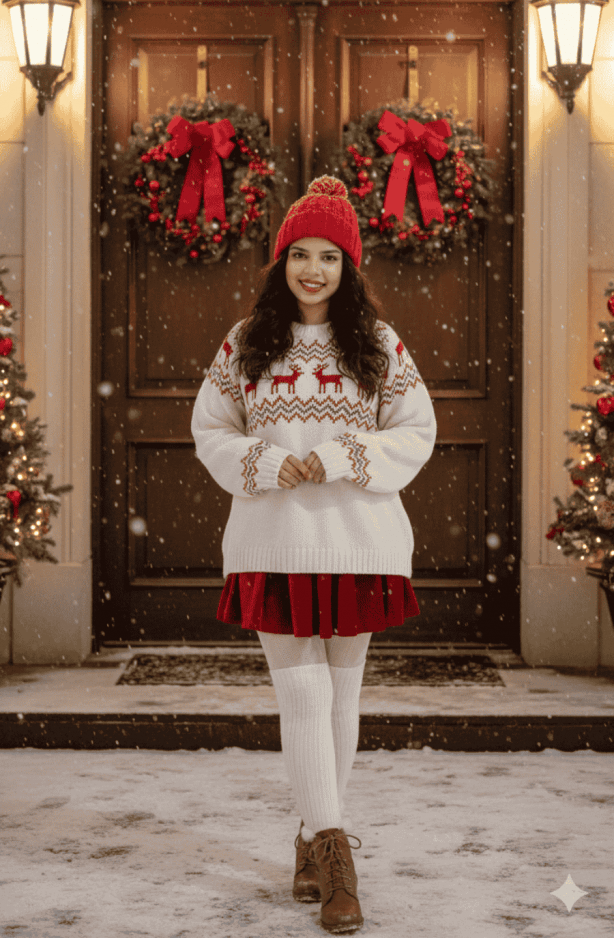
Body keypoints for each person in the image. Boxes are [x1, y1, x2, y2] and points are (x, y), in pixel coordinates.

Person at [191, 176, 436, 934]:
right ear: (281, 262)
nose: (313, 270)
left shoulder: (378, 344)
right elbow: (210, 428)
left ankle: (308, 832)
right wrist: (264, 464)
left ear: (348, 267)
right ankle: (335, 856)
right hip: (275, 542)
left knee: (341, 698)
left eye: (330, 257)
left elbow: (415, 431)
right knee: (302, 698)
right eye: (301, 254)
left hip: (357, 543)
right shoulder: (245, 341)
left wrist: (341, 456)